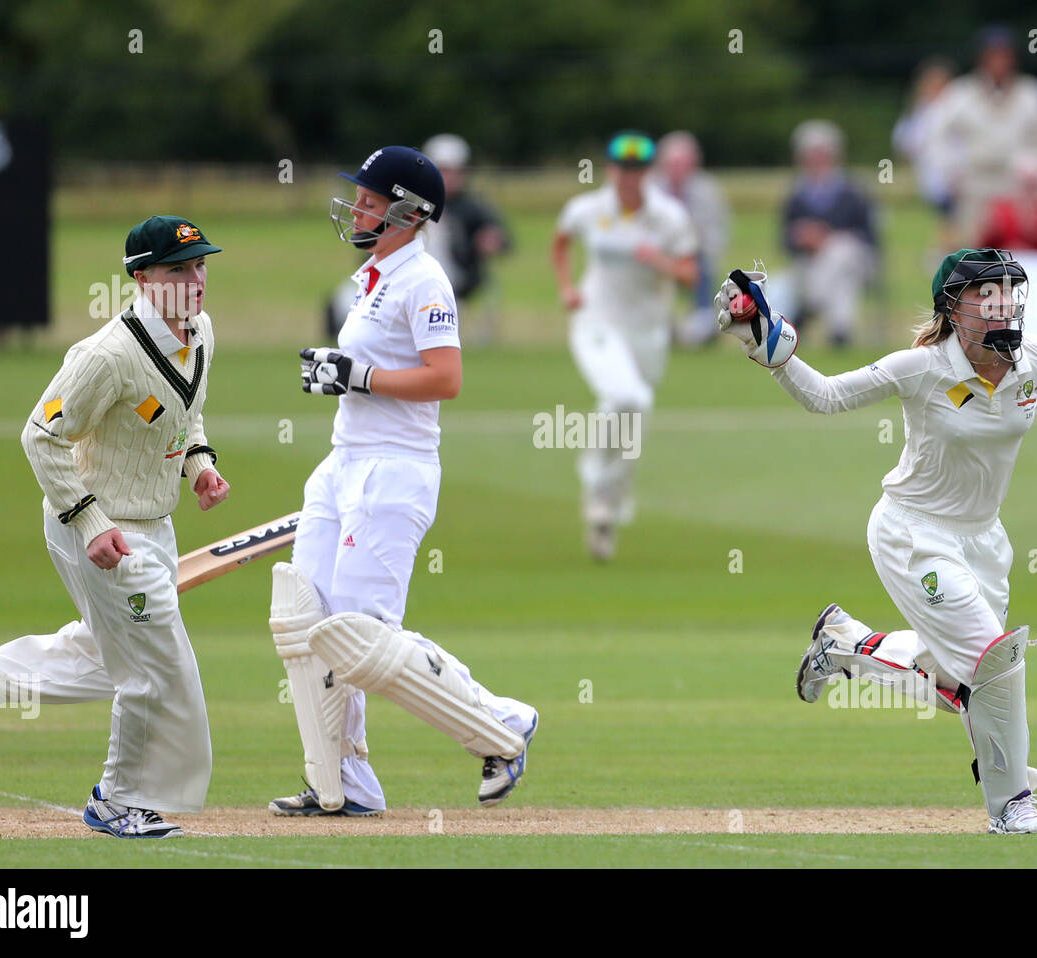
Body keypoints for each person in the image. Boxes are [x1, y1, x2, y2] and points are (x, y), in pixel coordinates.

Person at [713, 249, 1037, 833]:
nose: (1001, 306)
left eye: (1008, 293)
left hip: (986, 542)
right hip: (913, 534)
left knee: (960, 684)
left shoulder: (1032, 361)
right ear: (953, 307)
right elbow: (828, 396)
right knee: (997, 660)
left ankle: (846, 649)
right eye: (984, 296)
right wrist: (773, 349)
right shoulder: (921, 368)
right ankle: (1014, 802)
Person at [267, 146, 538, 817]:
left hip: (395, 469)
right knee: (305, 624)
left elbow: (446, 378)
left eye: (367, 198)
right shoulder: (371, 276)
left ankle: (502, 725)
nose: (355, 207)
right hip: (343, 461)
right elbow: (371, 368)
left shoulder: (425, 279)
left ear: (408, 213)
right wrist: (336, 369)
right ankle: (342, 784)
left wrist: (357, 377)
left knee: (358, 635)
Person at [0, 216, 231, 838]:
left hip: (155, 526)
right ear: (142, 278)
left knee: (110, 659)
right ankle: (118, 798)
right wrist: (90, 521)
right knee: (155, 667)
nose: (196, 280)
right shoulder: (107, 354)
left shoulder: (201, 330)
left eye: (200, 265)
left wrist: (200, 465)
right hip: (93, 529)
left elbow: (188, 412)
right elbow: (39, 436)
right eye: (179, 270)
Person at [551, 131, 698, 560]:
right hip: (595, 322)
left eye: (637, 169)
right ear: (611, 169)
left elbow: (691, 274)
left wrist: (662, 262)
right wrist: (566, 288)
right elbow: (561, 243)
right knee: (628, 397)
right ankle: (598, 487)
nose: (629, 177)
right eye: (622, 168)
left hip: (648, 331)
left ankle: (605, 507)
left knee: (631, 414)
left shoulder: (669, 216)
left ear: (647, 172)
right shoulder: (587, 209)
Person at [928, 26, 1037, 244]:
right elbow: (938, 139)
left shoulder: (1032, 94)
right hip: (974, 184)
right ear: (981, 58)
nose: (999, 62)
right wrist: (949, 175)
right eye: (993, 56)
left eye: (1004, 56)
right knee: (972, 248)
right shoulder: (960, 94)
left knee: (1018, 247)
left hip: (1019, 186)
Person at [781, 120, 879, 348]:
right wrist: (803, 238)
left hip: (857, 259)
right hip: (811, 265)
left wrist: (827, 238)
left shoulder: (853, 191)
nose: (817, 161)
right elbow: (784, 240)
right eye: (812, 155)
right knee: (841, 275)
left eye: (822, 154)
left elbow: (870, 236)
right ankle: (840, 331)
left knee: (840, 251)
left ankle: (809, 307)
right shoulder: (796, 195)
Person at [422, 134, 512, 342]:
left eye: (456, 171)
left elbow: (504, 239)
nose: (451, 177)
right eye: (444, 170)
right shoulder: (411, 206)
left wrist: (492, 241)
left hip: (457, 283)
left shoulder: (472, 208)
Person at [650, 130, 732, 347]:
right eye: (672, 164)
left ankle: (704, 323)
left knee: (702, 271)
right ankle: (660, 326)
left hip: (697, 257)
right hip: (660, 257)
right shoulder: (650, 191)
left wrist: (692, 252)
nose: (677, 170)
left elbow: (717, 233)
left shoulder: (708, 191)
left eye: (683, 164)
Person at [892, 57, 959, 250]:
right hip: (931, 169)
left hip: (953, 169)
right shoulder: (921, 110)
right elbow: (906, 140)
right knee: (941, 212)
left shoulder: (954, 108)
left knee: (951, 213)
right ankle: (941, 246)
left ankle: (946, 247)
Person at [976, 151, 1037, 250]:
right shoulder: (999, 211)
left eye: (1034, 185)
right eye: (1026, 185)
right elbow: (982, 249)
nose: (1030, 192)